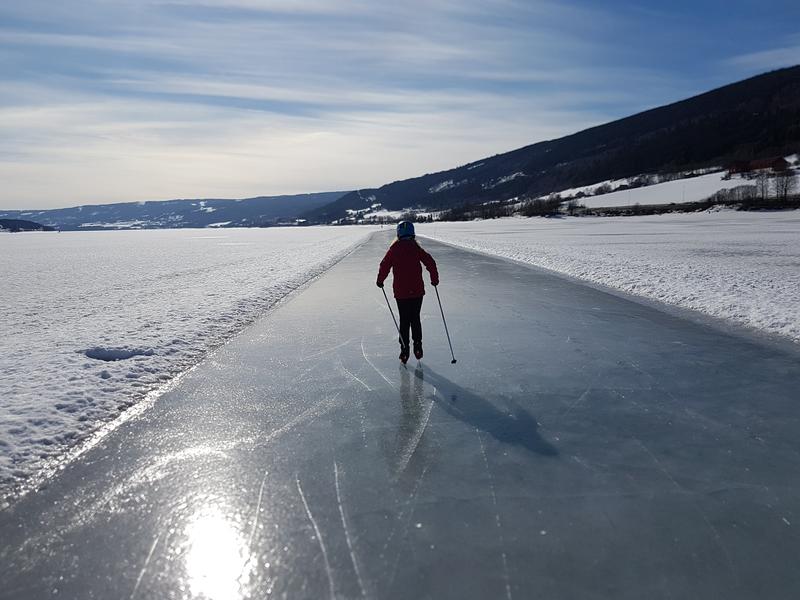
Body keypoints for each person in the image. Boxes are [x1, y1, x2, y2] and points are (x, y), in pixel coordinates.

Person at [376, 221, 439, 363]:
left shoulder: (394, 249)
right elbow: (430, 262)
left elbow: (384, 265)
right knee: (415, 318)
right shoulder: (416, 248)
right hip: (417, 292)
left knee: (404, 320)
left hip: (401, 292)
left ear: (398, 234)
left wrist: (380, 281)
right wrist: (434, 279)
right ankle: (418, 346)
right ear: (413, 234)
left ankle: (404, 351)